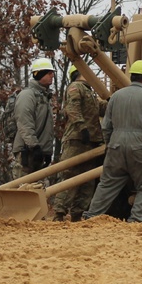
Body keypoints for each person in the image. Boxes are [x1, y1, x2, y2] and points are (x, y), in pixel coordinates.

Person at [82, 60, 142, 223]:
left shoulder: (116, 96)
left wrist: (109, 146)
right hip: (139, 145)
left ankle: (91, 216)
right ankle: (137, 220)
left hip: (116, 144)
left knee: (107, 183)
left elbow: (106, 126)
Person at [52, 63, 104, 222]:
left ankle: (78, 212)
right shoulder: (75, 87)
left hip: (91, 140)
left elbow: (101, 108)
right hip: (77, 139)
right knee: (70, 175)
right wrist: (82, 128)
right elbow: (72, 108)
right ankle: (59, 213)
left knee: (86, 181)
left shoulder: (90, 93)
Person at [12, 57, 56, 179]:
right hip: (27, 153)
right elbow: (24, 123)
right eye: (49, 72)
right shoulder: (27, 95)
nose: (52, 75)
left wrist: (46, 152)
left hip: (39, 153)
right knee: (22, 192)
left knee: (38, 193)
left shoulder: (44, 97)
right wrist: (34, 146)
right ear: (39, 74)